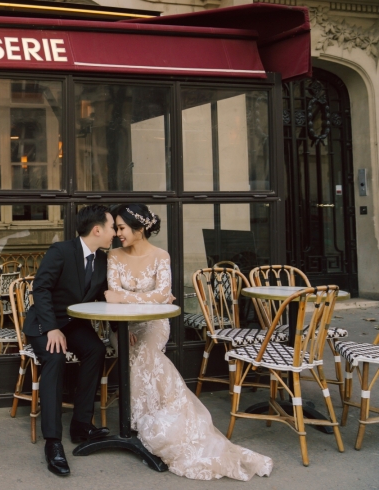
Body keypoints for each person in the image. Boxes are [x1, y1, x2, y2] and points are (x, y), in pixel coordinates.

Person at [105, 204, 272, 481]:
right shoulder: (113, 256)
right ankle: (147, 418)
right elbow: (120, 292)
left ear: (140, 227)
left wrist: (125, 297)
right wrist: (136, 299)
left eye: (121, 228)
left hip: (154, 324)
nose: (117, 233)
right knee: (136, 352)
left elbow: (160, 295)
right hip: (123, 326)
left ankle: (160, 422)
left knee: (145, 351)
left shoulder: (161, 256)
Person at [22, 204, 115, 477]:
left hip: (75, 324)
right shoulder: (61, 251)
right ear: (97, 230)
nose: (115, 234)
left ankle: (81, 425)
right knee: (55, 357)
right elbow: (41, 288)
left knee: (96, 350)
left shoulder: (102, 259)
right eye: (112, 228)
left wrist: (121, 329)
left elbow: (102, 298)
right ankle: (53, 442)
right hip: (44, 324)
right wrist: (51, 328)